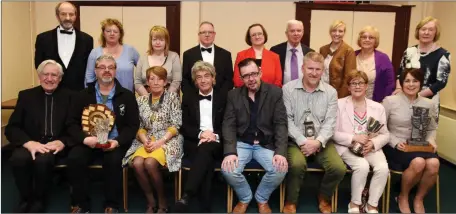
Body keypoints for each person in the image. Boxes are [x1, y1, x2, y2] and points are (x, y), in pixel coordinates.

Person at [66, 54, 140, 213]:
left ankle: (111, 204)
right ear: (95, 70)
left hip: (114, 141)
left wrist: (118, 141)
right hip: (88, 141)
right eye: (102, 67)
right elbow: (70, 123)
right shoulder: (82, 95)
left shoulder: (127, 95)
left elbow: (133, 125)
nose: (107, 71)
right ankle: (80, 204)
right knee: (75, 158)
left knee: (113, 161)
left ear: (115, 71)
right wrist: (84, 139)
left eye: (111, 67)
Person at [282, 52, 346, 214]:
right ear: (303, 68)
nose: (314, 73)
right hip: (295, 141)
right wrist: (303, 141)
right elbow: (286, 120)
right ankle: (291, 201)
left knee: (338, 168)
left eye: (318, 69)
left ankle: (324, 197)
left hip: (321, 141)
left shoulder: (331, 92)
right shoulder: (288, 89)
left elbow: (330, 122)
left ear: (322, 71)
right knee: (296, 165)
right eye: (310, 68)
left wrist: (317, 142)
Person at [222, 58, 288, 213]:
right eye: (246, 76)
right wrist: (230, 152)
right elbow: (228, 124)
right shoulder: (233, 95)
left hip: (265, 144)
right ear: (241, 78)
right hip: (242, 143)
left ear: (260, 72)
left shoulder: (275, 93)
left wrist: (280, 152)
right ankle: (245, 198)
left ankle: (261, 198)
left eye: (253, 74)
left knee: (281, 169)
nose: (251, 79)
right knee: (228, 170)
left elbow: (281, 124)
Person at [5, 60, 72, 213]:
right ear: (39, 76)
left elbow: (75, 127)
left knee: (44, 160)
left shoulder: (70, 97)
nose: (49, 78)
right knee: (18, 158)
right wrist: (28, 143)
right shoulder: (26, 96)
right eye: (45, 74)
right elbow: (12, 128)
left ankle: (39, 200)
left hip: (54, 145)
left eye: (54, 75)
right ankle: (25, 198)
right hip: (31, 142)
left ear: (60, 78)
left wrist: (63, 141)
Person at [123, 66, 183, 213]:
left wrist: (160, 142)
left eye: (160, 79)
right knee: (137, 163)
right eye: (152, 78)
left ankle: (162, 201)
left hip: (169, 139)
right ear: (147, 82)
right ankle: (150, 201)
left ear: (165, 82)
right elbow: (138, 125)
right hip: (147, 138)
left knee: (150, 163)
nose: (156, 82)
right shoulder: (141, 100)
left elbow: (176, 125)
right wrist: (144, 140)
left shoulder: (173, 98)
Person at [383, 68, 439, 214]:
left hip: (420, 144)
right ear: (401, 83)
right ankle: (403, 196)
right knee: (418, 162)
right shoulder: (390, 101)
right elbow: (381, 128)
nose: (411, 84)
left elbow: (432, 128)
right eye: (407, 80)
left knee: (434, 164)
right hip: (397, 146)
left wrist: (431, 140)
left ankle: (419, 198)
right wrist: (394, 141)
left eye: (415, 81)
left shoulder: (428, 103)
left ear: (421, 83)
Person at [333, 70, 390, 213]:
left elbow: (385, 134)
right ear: (348, 87)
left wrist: (373, 144)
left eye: (361, 83)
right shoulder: (338, 105)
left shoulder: (378, 107)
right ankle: (355, 203)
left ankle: (372, 204)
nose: (357, 86)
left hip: (370, 148)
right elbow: (332, 133)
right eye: (353, 83)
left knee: (383, 168)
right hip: (347, 146)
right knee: (362, 166)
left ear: (366, 86)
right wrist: (353, 138)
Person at [174, 61, 226, 213]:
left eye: (206, 76)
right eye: (199, 77)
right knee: (206, 160)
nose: (203, 80)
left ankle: (187, 195)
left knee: (205, 151)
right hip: (195, 141)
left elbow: (229, 124)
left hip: (217, 141)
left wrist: (214, 135)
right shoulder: (188, 98)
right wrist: (201, 134)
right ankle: (205, 207)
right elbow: (183, 125)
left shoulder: (224, 97)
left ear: (213, 78)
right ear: (195, 81)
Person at [394, 16, 451, 119]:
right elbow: (400, 73)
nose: (426, 33)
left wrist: (417, 96)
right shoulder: (409, 51)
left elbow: (441, 83)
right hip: (404, 99)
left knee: (422, 132)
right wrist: (399, 89)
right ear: (418, 31)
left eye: (430, 30)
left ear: (435, 33)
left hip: (427, 102)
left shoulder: (443, 54)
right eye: (423, 29)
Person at [34, 2, 93, 91]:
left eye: (71, 14)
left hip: (78, 92)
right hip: (52, 91)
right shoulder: (43, 38)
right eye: (63, 14)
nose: (67, 18)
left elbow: (89, 67)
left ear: (75, 16)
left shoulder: (87, 39)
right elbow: (39, 65)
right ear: (57, 16)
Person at [85, 18, 139, 92]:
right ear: (103, 34)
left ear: (120, 34)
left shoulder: (131, 51)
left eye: (115, 31)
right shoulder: (95, 53)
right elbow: (89, 78)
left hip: (127, 97)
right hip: (101, 98)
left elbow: (142, 72)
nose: (112, 34)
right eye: (108, 31)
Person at [181, 21, 233, 96]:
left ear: (214, 34)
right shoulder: (188, 54)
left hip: (221, 100)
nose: (207, 35)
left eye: (210, 32)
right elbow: (185, 80)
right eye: (203, 32)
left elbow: (229, 80)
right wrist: (192, 97)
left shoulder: (226, 55)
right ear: (199, 35)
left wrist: (221, 96)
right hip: (195, 99)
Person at [135, 26, 182, 95]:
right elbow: (137, 82)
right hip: (146, 99)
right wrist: (148, 98)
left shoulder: (174, 57)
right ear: (151, 41)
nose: (157, 42)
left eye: (161, 40)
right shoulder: (142, 58)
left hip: (169, 98)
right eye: (154, 39)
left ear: (166, 41)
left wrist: (166, 99)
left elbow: (176, 81)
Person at [233, 23, 283, 88]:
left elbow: (278, 81)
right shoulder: (241, 55)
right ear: (249, 38)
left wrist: (270, 94)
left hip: (270, 95)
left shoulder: (274, 57)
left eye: (259, 34)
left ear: (264, 35)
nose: (257, 37)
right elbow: (237, 80)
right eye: (253, 35)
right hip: (246, 95)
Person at [354, 26, 395, 102]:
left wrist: (384, 102)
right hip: (352, 101)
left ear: (375, 41)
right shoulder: (352, 55)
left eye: (371, 37)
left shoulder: (383, 58)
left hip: (376, 103)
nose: (367, 40)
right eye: (364, 37)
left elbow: (390, 83)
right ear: (360, 40)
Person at [319, 20, 356, 98]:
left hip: (338, 94)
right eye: (334, 31)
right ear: (330, 32)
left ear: (344, 33)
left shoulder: (348, 51)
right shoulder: (323, 49)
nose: (337, 34)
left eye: (340, 31)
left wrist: (339, 98)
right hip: (322, 91)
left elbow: (349, 78)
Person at [270, 19, 314, 85]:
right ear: (286, 33)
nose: (296, 34)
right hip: (282, 92)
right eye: (292, 31)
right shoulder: (275, 51)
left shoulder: (310, 52)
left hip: (304, 92)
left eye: (299, 31)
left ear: (303, 32)